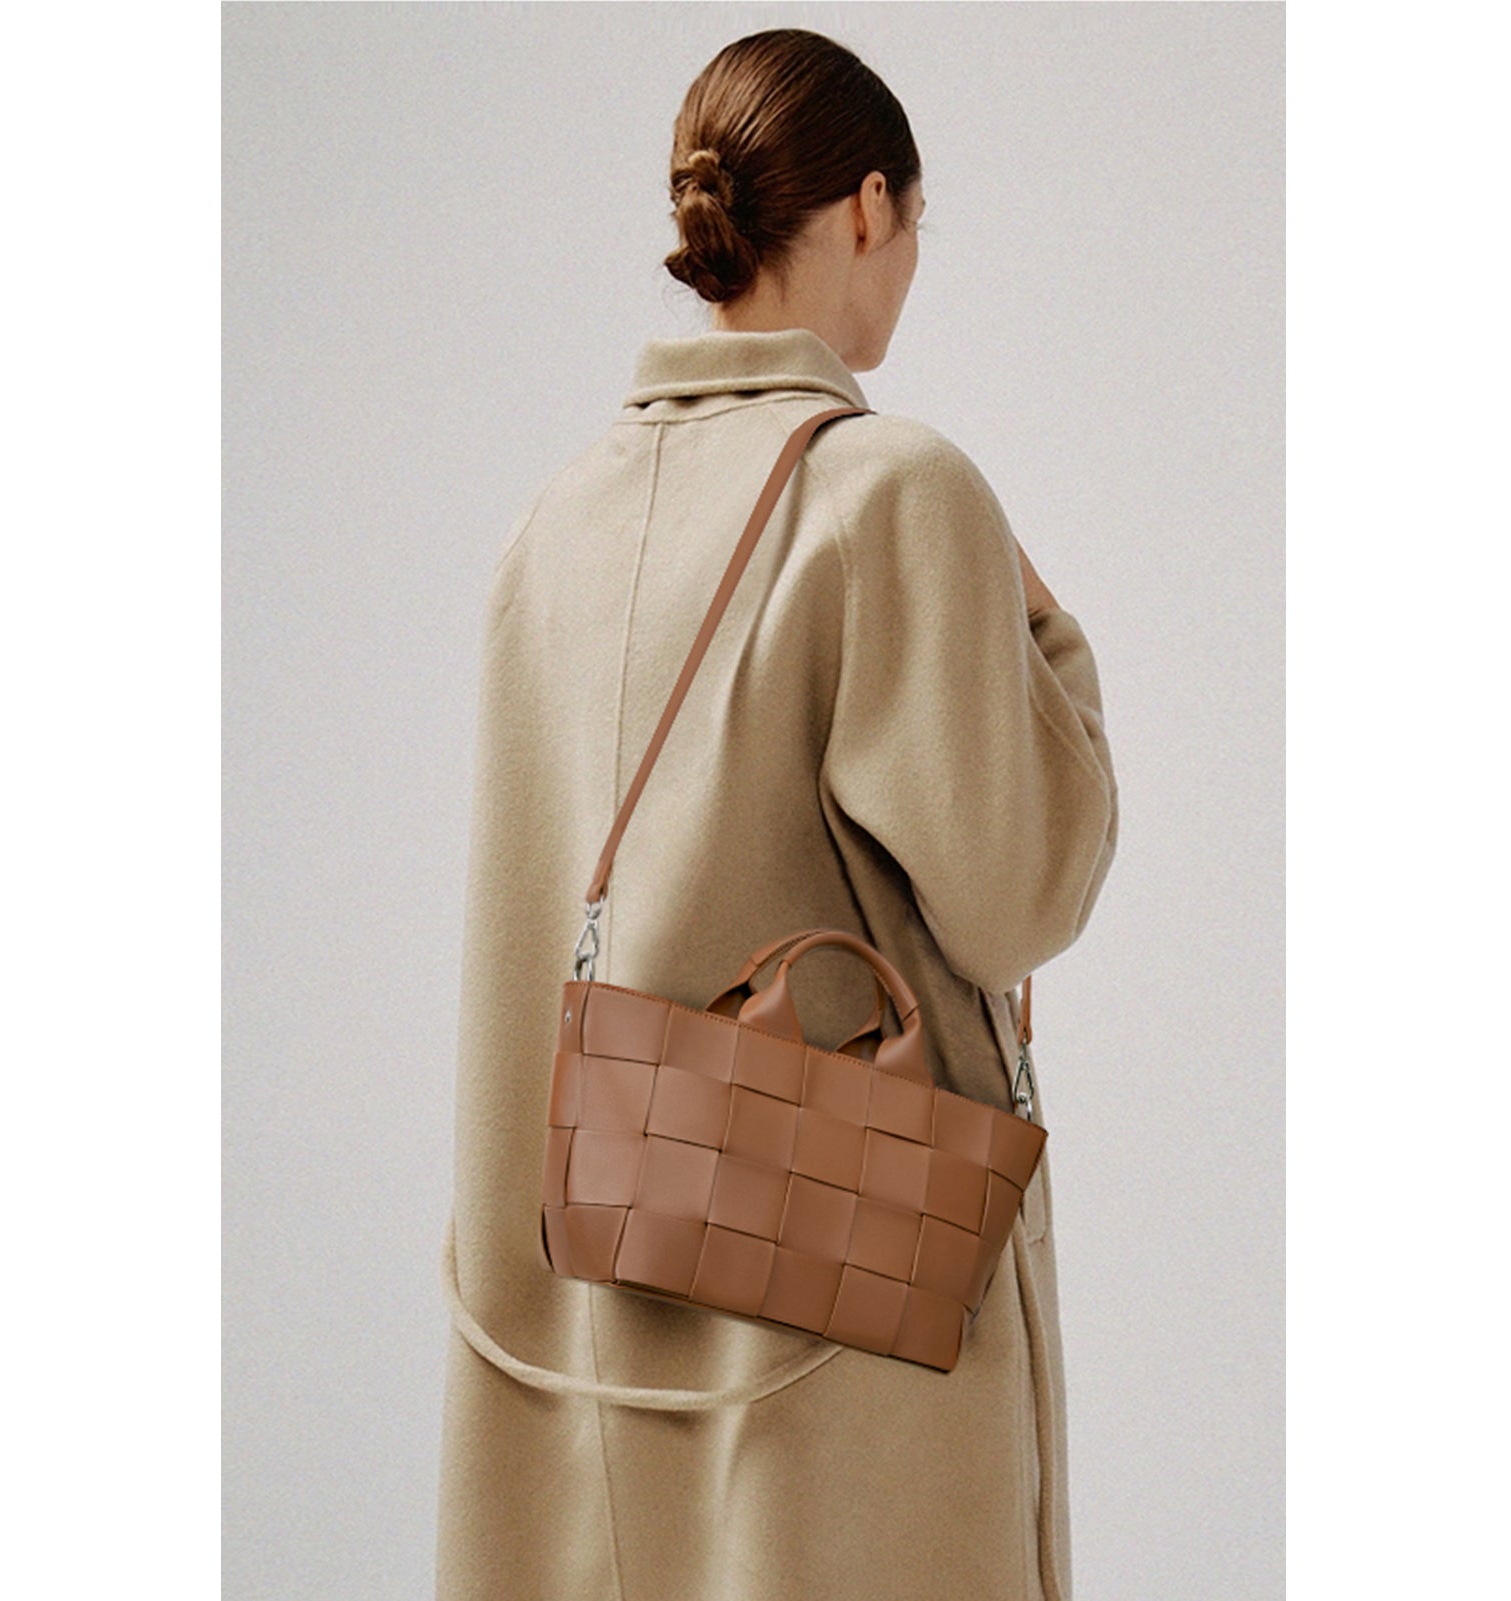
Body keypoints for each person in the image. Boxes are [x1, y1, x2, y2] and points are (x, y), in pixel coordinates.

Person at [436, 26, 1118, 1601]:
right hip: (836, 1364)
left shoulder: (554, 520)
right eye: (917, 226)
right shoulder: (891, 490)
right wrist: (1054, 647)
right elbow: (1020, 894)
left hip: (594, 1361)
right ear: (871, 206)